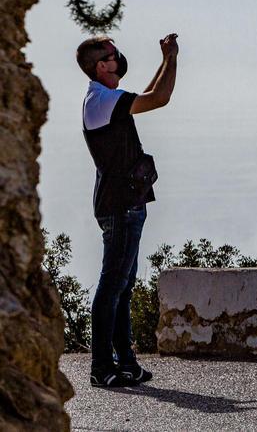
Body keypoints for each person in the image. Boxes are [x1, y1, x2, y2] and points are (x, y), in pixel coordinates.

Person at [77, 33, 179, 387]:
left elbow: (147, 96)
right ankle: (101, 367)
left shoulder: (106, 99)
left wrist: (164, 61)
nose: (118, 58)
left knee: (123, 287)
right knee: (112, 286)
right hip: (119, 207)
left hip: (125, 204)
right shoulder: (101, 100)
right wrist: (174, 57)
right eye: (111, 55)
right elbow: (160, 98)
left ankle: (127, 364)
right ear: (100, 66)